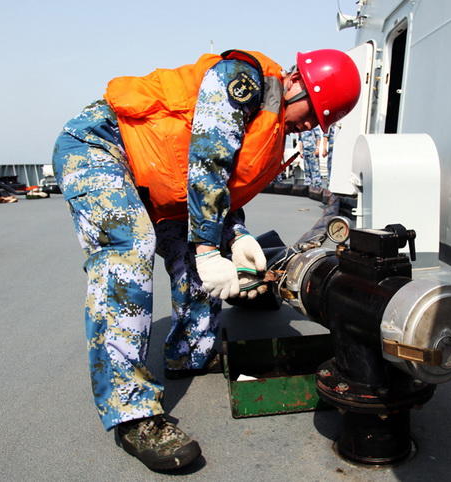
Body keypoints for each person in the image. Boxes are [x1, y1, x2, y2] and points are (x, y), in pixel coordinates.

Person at [52, 48, 360, 471]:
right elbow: (208, 158)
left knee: (194, 249)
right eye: (313, 112)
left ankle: (190, 350)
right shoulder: (243, 79)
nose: (310, 125)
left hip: (155, 181)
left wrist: (235, 236)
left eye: (321, 124)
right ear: (294, 82)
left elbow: (224, 189)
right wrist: (209, 249)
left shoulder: (272, 128)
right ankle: (131, 414)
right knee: (129, 246)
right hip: (101, 147)